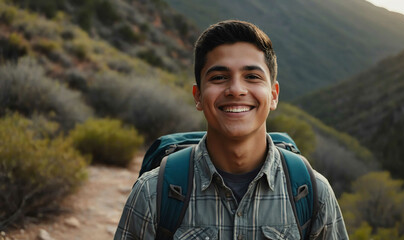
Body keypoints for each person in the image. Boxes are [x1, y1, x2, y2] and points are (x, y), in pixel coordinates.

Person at [114, 20, 348, 240]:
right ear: (198, 97)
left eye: (252, 77)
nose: (236, 89)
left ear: (274, 95)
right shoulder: (152, 192)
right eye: (219, 77)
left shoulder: (312, 194)